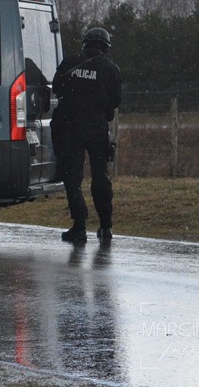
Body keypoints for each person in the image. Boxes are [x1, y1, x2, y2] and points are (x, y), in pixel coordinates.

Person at [52, 27, 123, 243]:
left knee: (72, 178)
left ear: (85, 43)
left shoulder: (69, 63)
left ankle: (79, 226)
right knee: (100, 177)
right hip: (97, 129)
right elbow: (116, 101)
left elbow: (56, 87)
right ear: (105, 47)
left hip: (72, 129)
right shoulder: (111, 69)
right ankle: (105, 227)